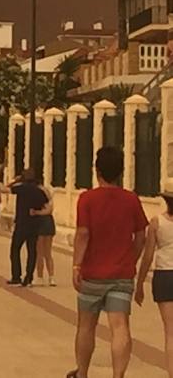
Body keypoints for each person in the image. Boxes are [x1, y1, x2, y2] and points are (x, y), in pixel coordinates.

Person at [69, 146, 148, 378]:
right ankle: (118, 375)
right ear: (121, 171)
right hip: (121, 276)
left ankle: (82, 372)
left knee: (86, 325)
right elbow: (141, 236)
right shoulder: (131, 199)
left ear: (97, 170)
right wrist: (130, 259)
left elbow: (83, 234)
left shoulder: (86, 199)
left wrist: (76, 265)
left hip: (92, 274)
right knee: (120, 326)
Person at [135, 182, 173, 377]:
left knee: (170, 331)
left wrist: (140, 282)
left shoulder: (156, 223)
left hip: (165, 276)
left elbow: (148, 255)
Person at [7, 169, 46, 287]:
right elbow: (46, 205)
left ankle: (16, 276)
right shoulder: (39, 191)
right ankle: (28, 277)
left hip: (21, 224)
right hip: (34, 224)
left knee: (15, 249)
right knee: (32, 251)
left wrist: (15, 181)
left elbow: (5, 188)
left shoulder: (21, 188)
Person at [32, 177, 57, 287]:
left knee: (40, 253)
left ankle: (40, 277)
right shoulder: (48, 194)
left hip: (41, 223)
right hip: (49, 223)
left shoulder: (38, 193)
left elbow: (45, 211)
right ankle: (51, 277)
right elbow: (49, 210)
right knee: (48, 253)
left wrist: (36, 212)